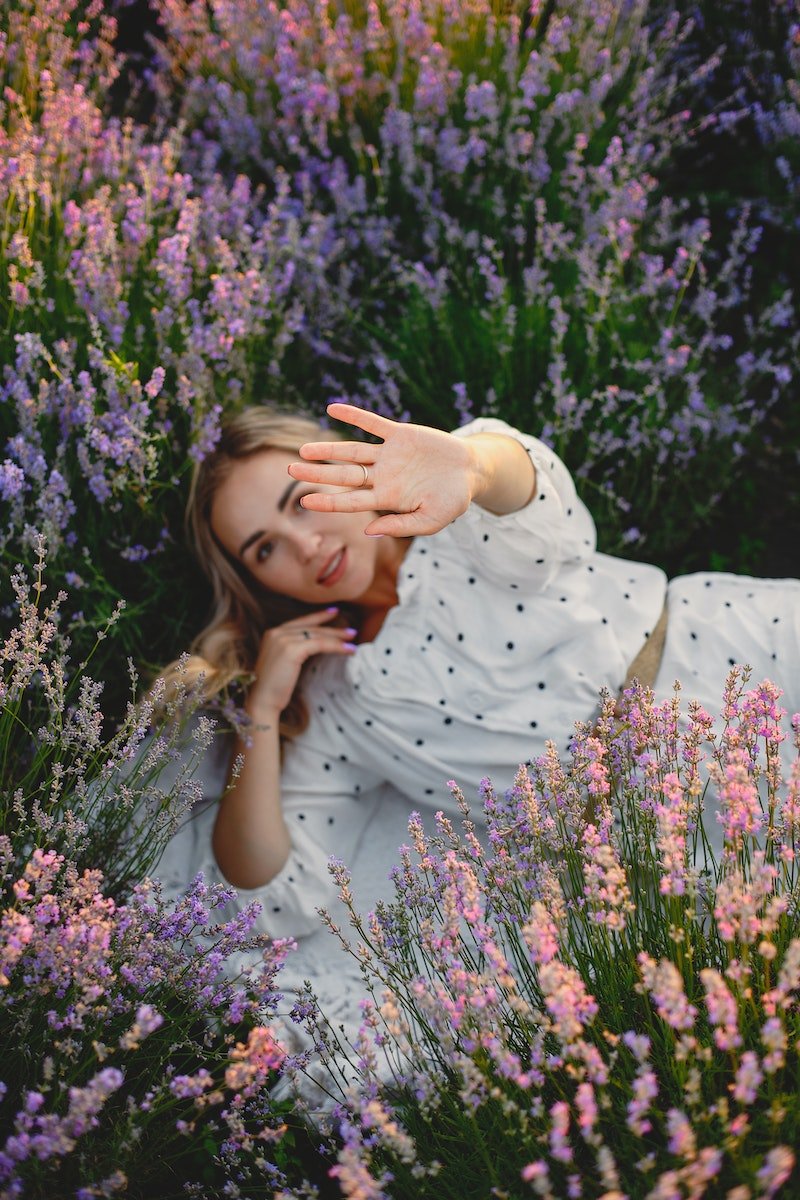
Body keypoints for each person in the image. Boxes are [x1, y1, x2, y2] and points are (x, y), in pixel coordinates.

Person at [155, 401, 800, 962]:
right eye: (264, 548)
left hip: (734, 655)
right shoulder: (339, 701)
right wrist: (261, 714)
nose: (303, 544)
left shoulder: (451, 509)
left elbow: (546, 512)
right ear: (255, 582)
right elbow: (266, 891)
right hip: (664, 833)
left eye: (302, 501)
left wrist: (475, 466)